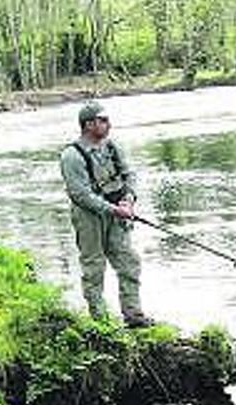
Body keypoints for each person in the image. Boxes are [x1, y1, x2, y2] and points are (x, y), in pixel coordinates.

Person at [60, 101, 154, 328]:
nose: (108, 124)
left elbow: (129, 175)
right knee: (94, 267)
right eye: (102, 120)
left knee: (128, 261)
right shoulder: (71, 156)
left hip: (118, 213)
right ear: (88, 125)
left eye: (107, 120)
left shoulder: (112, 147)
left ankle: (134, 316)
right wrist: (114, 209)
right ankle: (100, 321)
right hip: (89, 217)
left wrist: (129, 199)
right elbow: (80, 194)